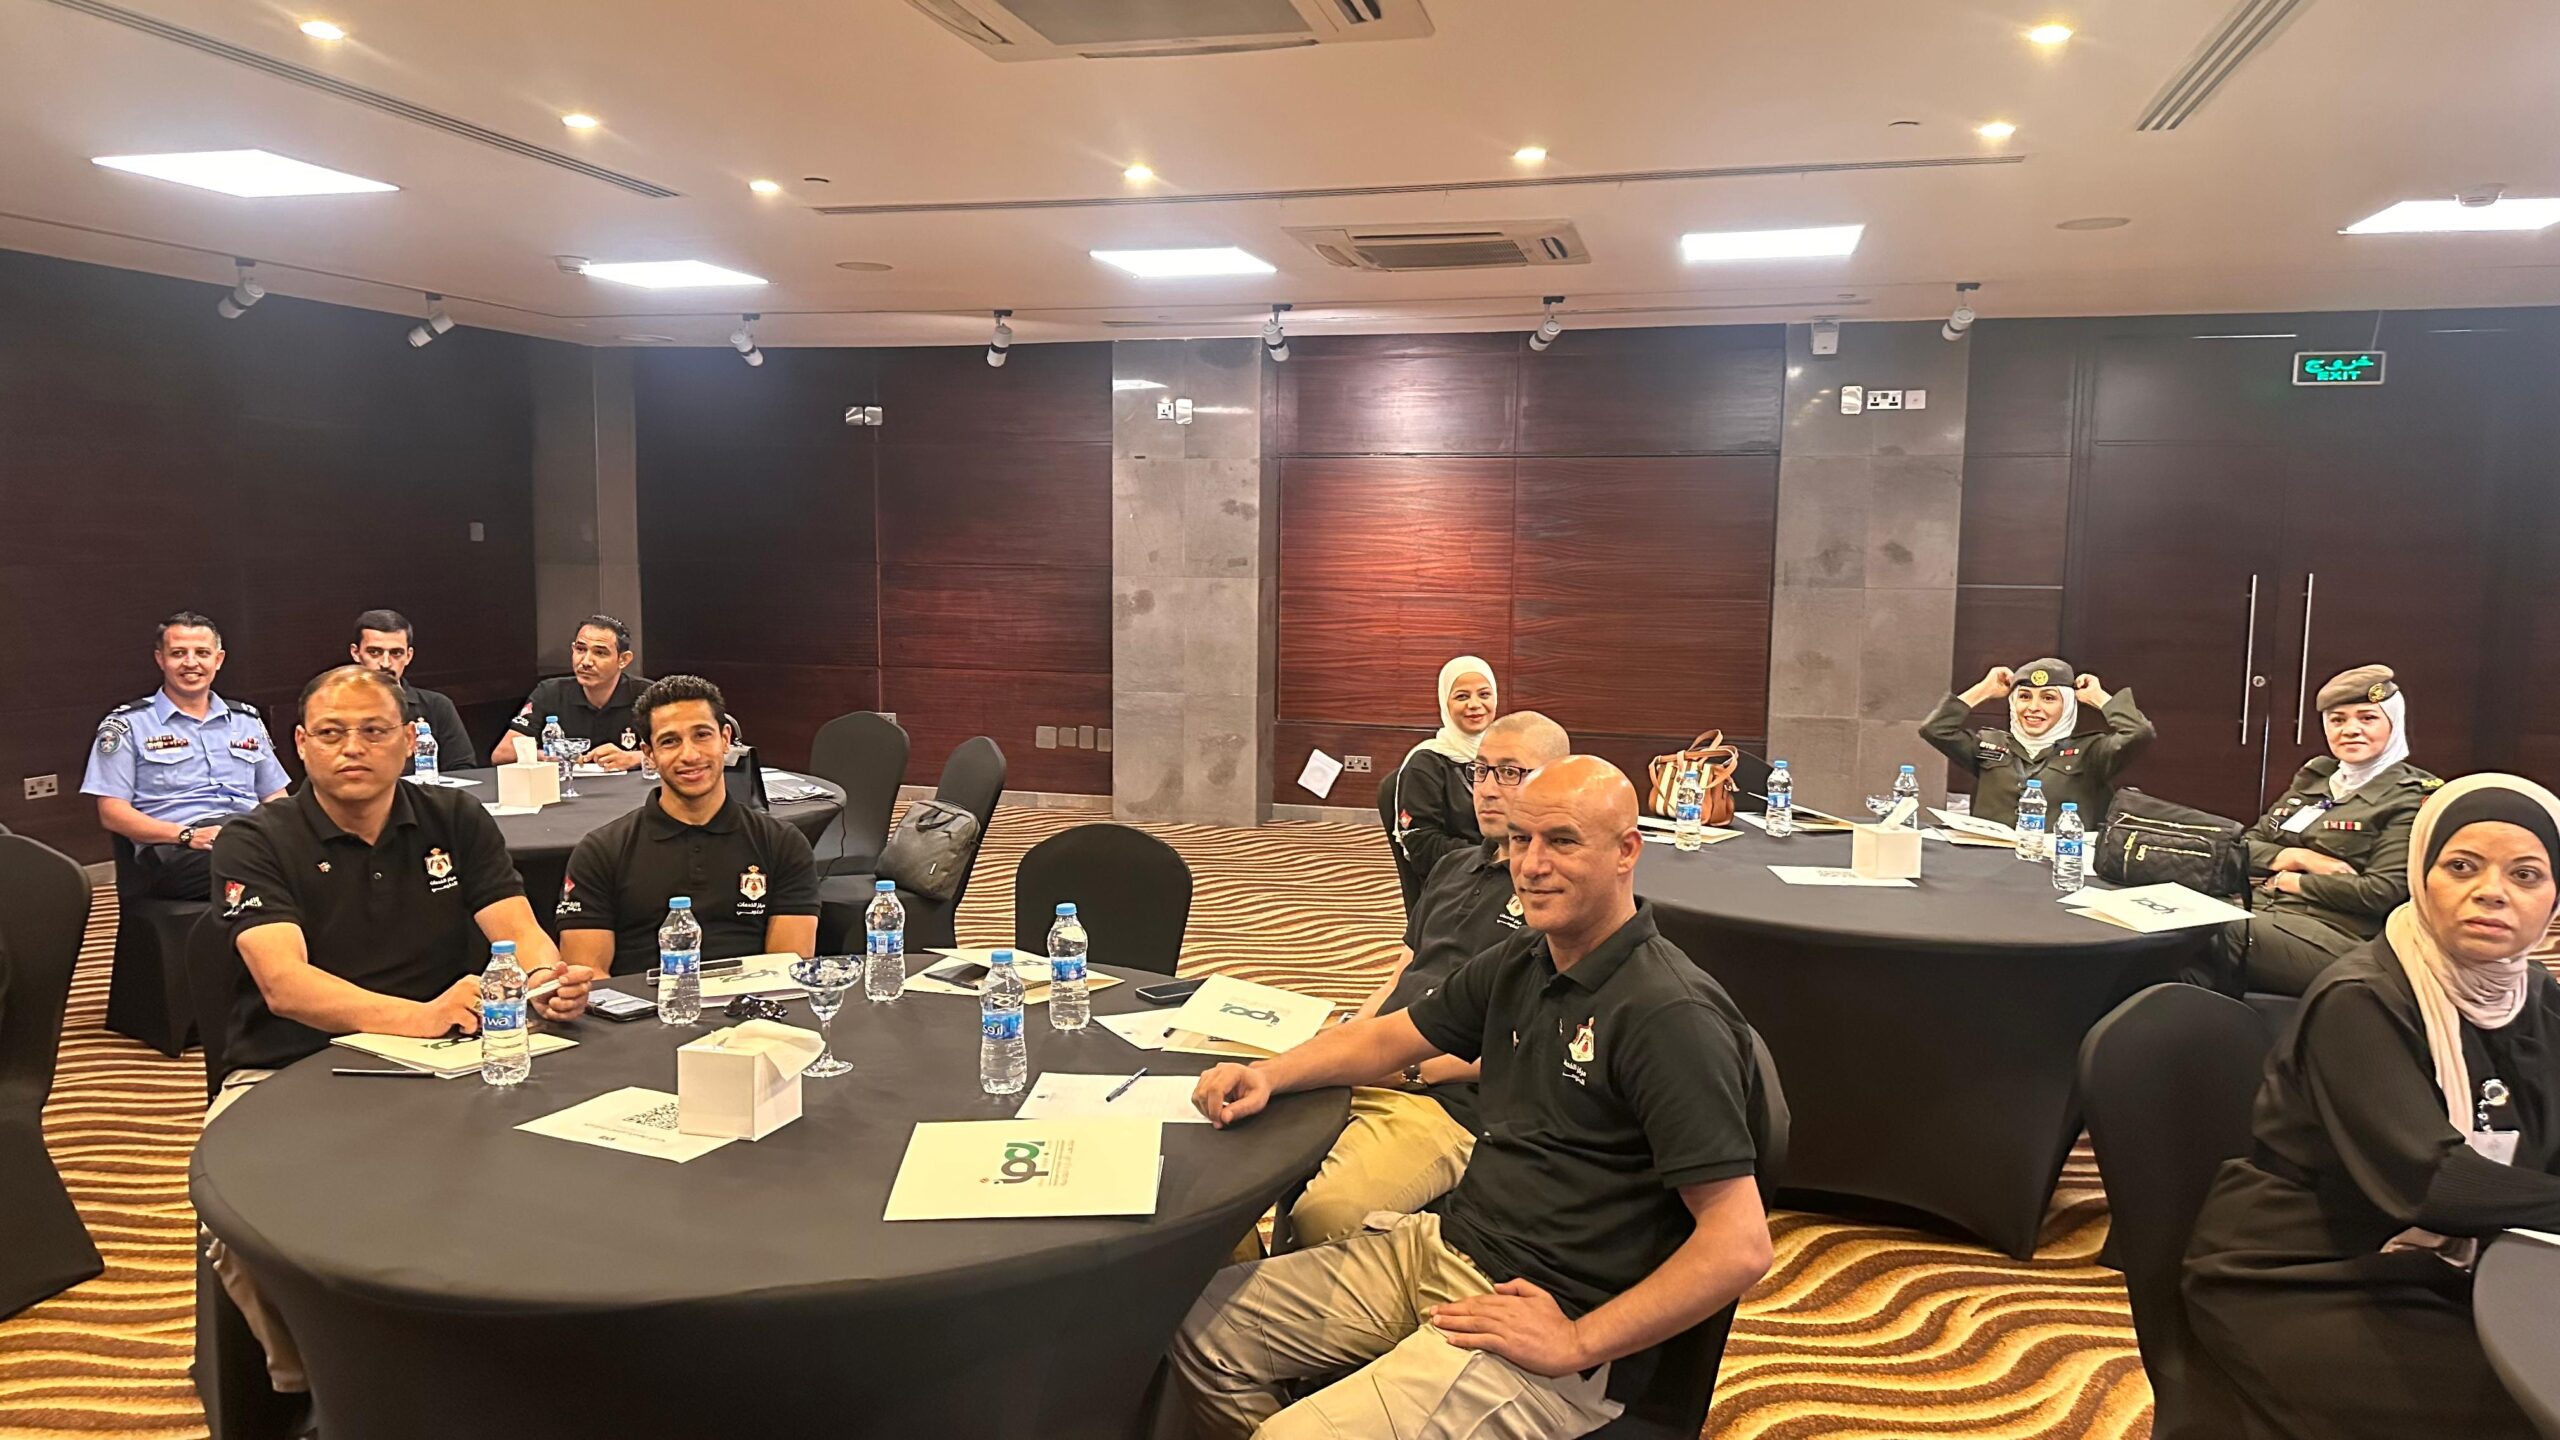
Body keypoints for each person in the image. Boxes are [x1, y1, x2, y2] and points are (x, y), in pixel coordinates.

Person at [1171, 757, 1774, 1440]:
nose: (1531, 865)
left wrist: (1577, 1343)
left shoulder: (1668, 1015)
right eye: (1520, 839)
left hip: (1553, 1315)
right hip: (1448, 1248)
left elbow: (1740, 1244)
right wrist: (1271, 1073)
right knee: (1192, 1329)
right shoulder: (1527, 958)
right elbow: (1388, 1037)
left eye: (1562, 841)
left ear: (1626, 852)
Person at [203, 665, 592, 1390]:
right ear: (300, 745)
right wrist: (418, 1017)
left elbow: (517, 931)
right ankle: (317, 1389)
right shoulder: (254, 839)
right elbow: (284, 985)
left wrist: (547, 981)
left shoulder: (453, 818)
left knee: (568, 1179)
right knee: (239, 1219)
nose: (353, 748)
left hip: (453, 1056)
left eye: (374, 731)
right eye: (331, 733)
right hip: (289, 1065)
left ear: (410, 740)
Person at [2184, 773, 2560, 1440]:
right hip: (2305, 1273)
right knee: (2524, 1411)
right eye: (2462, 866)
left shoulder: (2535, 995)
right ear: (2421, 877)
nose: (2492, 891)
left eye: (2525, 875)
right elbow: (2430, 1183)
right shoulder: (2362, 998)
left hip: (2452, 1260)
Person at [1284, 711, 1573, 1251]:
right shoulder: (1452, 867)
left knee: (1326, 1214)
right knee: (1227, 1172)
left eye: (1510, 772)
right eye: (1480, 771)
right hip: (1377, 1064)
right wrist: (1348, 1040)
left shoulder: (1556, 895)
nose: (1488, 788)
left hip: (1449, 1101)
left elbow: (1536, 1045)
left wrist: (1410, 1071)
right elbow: (1403, 973)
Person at [556, 675, 820, 975]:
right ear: (649, 754)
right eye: (670, 741)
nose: (690, 755)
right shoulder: (600, 852)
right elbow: (588, 980)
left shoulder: (783, 844)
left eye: (702, 735)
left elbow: (788, 972)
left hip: (754, 1002)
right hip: (638, 1004)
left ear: (725, 739)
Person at [2212, 665, 2440, 996]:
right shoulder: (2317, 779)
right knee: (2175, 943)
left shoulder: (2411, 796)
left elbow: (2380, 892)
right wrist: (2297, 857)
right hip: (2267, 911)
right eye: (2338, 720)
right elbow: (2245, 845)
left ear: (2394, 723)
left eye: (2367, 718)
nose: (2351, 730)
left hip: (2341, 938)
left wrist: (2293, 881)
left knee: (2209, 933)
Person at [81, 612, 291, 900]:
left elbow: (275, 796)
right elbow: (112, 813)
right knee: (260, 868)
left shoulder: (246, 720)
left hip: (249, 835)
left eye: (202, 653)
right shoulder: (127, 725)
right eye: (178, 653)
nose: (191, 663)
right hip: (175, 847)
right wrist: (186, 835)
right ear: (160, 659)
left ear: (218, 660)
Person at [1918, 657, 2153, 826]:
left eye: (2048, 698)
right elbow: (1935, 729)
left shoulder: (2091, 752)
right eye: (2024, 696)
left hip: (2057, 863)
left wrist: (2099, 698)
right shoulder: (1988, 744)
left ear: (2067, 706)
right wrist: (1983, 690)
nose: (2033, 707)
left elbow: (2138, 732)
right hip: (1990, 863)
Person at [1389, 656, 1499, 909]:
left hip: (1510, 874)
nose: (1475, 705)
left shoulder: (1506, 756)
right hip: (1456, 887)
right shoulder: (1426, 763)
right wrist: (1493, 855)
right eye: (1462, 696)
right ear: (1444, 702)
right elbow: (1423, 845)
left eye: (1484, 694)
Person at [497, 613, 649, 771]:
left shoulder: (647, 695)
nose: (586, 662)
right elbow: (502, 753)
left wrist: (634, 757)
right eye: (580, 649)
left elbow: (668, 751)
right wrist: (548, 756)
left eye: (600, 653)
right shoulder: (550, 692)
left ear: (623, 659)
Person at [350, 608, 477, 772]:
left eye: (396, 653)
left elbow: (464, 769)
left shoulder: (437, 705)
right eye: (374, 652)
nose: (386, 663)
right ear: (356, 653)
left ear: (408, 656)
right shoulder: (334, 706)